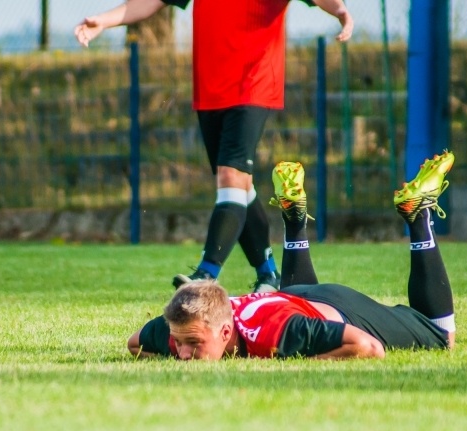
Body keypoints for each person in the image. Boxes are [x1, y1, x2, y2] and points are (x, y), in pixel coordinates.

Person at [75, 0, 354, 293]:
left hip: (253, 84)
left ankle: (206, 273)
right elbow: (152, 2)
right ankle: (269, 274)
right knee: (238, 186)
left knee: (231, 177)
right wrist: (104, 21)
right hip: (210, 92)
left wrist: (340, 11)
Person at [127, 151, 457, 360]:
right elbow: (134, 343)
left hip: (340, 309)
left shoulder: (277, 334)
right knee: (292, 304)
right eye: (179, 343)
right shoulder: (187, 323)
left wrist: (297, 360)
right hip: (292, 296)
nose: (183, 354)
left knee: (441, 336)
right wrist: (179, 343)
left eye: (193, 344)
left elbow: (369, 347)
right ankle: (294, 219)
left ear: (225, 332)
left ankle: (419, 217)